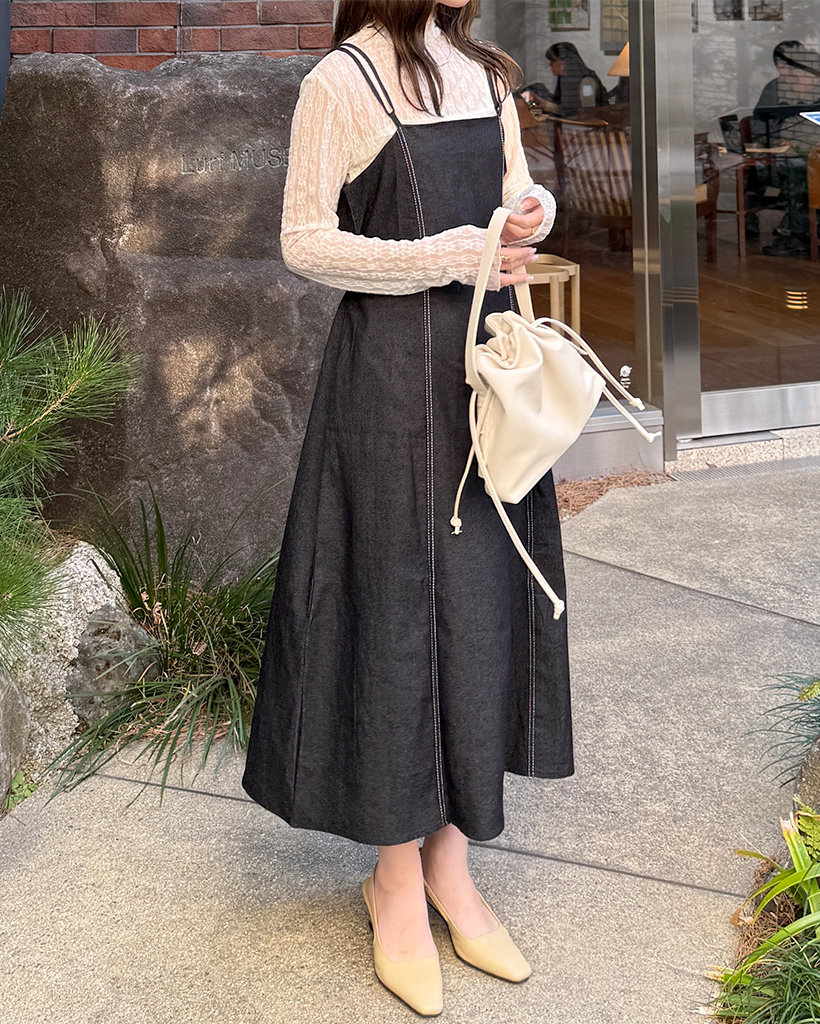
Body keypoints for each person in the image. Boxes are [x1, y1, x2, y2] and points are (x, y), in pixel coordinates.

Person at [242, 0, 573, 1016]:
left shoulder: (486, 70)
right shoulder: (342, 79)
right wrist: (447, 254)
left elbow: (515, 194)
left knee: (480, 605)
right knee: (392, 614)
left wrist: (530, 213)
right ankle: (392, 877)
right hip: (389, 380)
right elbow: (304, 241)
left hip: (488, 373)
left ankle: (449, 863)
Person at [751, 40, 820, 256]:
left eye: (793, 65)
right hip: (789, 155)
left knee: (800, 169)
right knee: (794, 169)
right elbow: (761, 126)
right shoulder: (776, 89)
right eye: (783, 65)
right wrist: (776, 143)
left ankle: (799, 232)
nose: (789, 72)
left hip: (812, 153)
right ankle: (799, 233)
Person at [521, 41, 607, 119]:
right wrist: (545, 105)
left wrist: (549, 107)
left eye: (553, 60)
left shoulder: (587, 82)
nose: (550, 64)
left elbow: (587, 115)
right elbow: (567, 108)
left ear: (566, 62)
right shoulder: (564, 80)